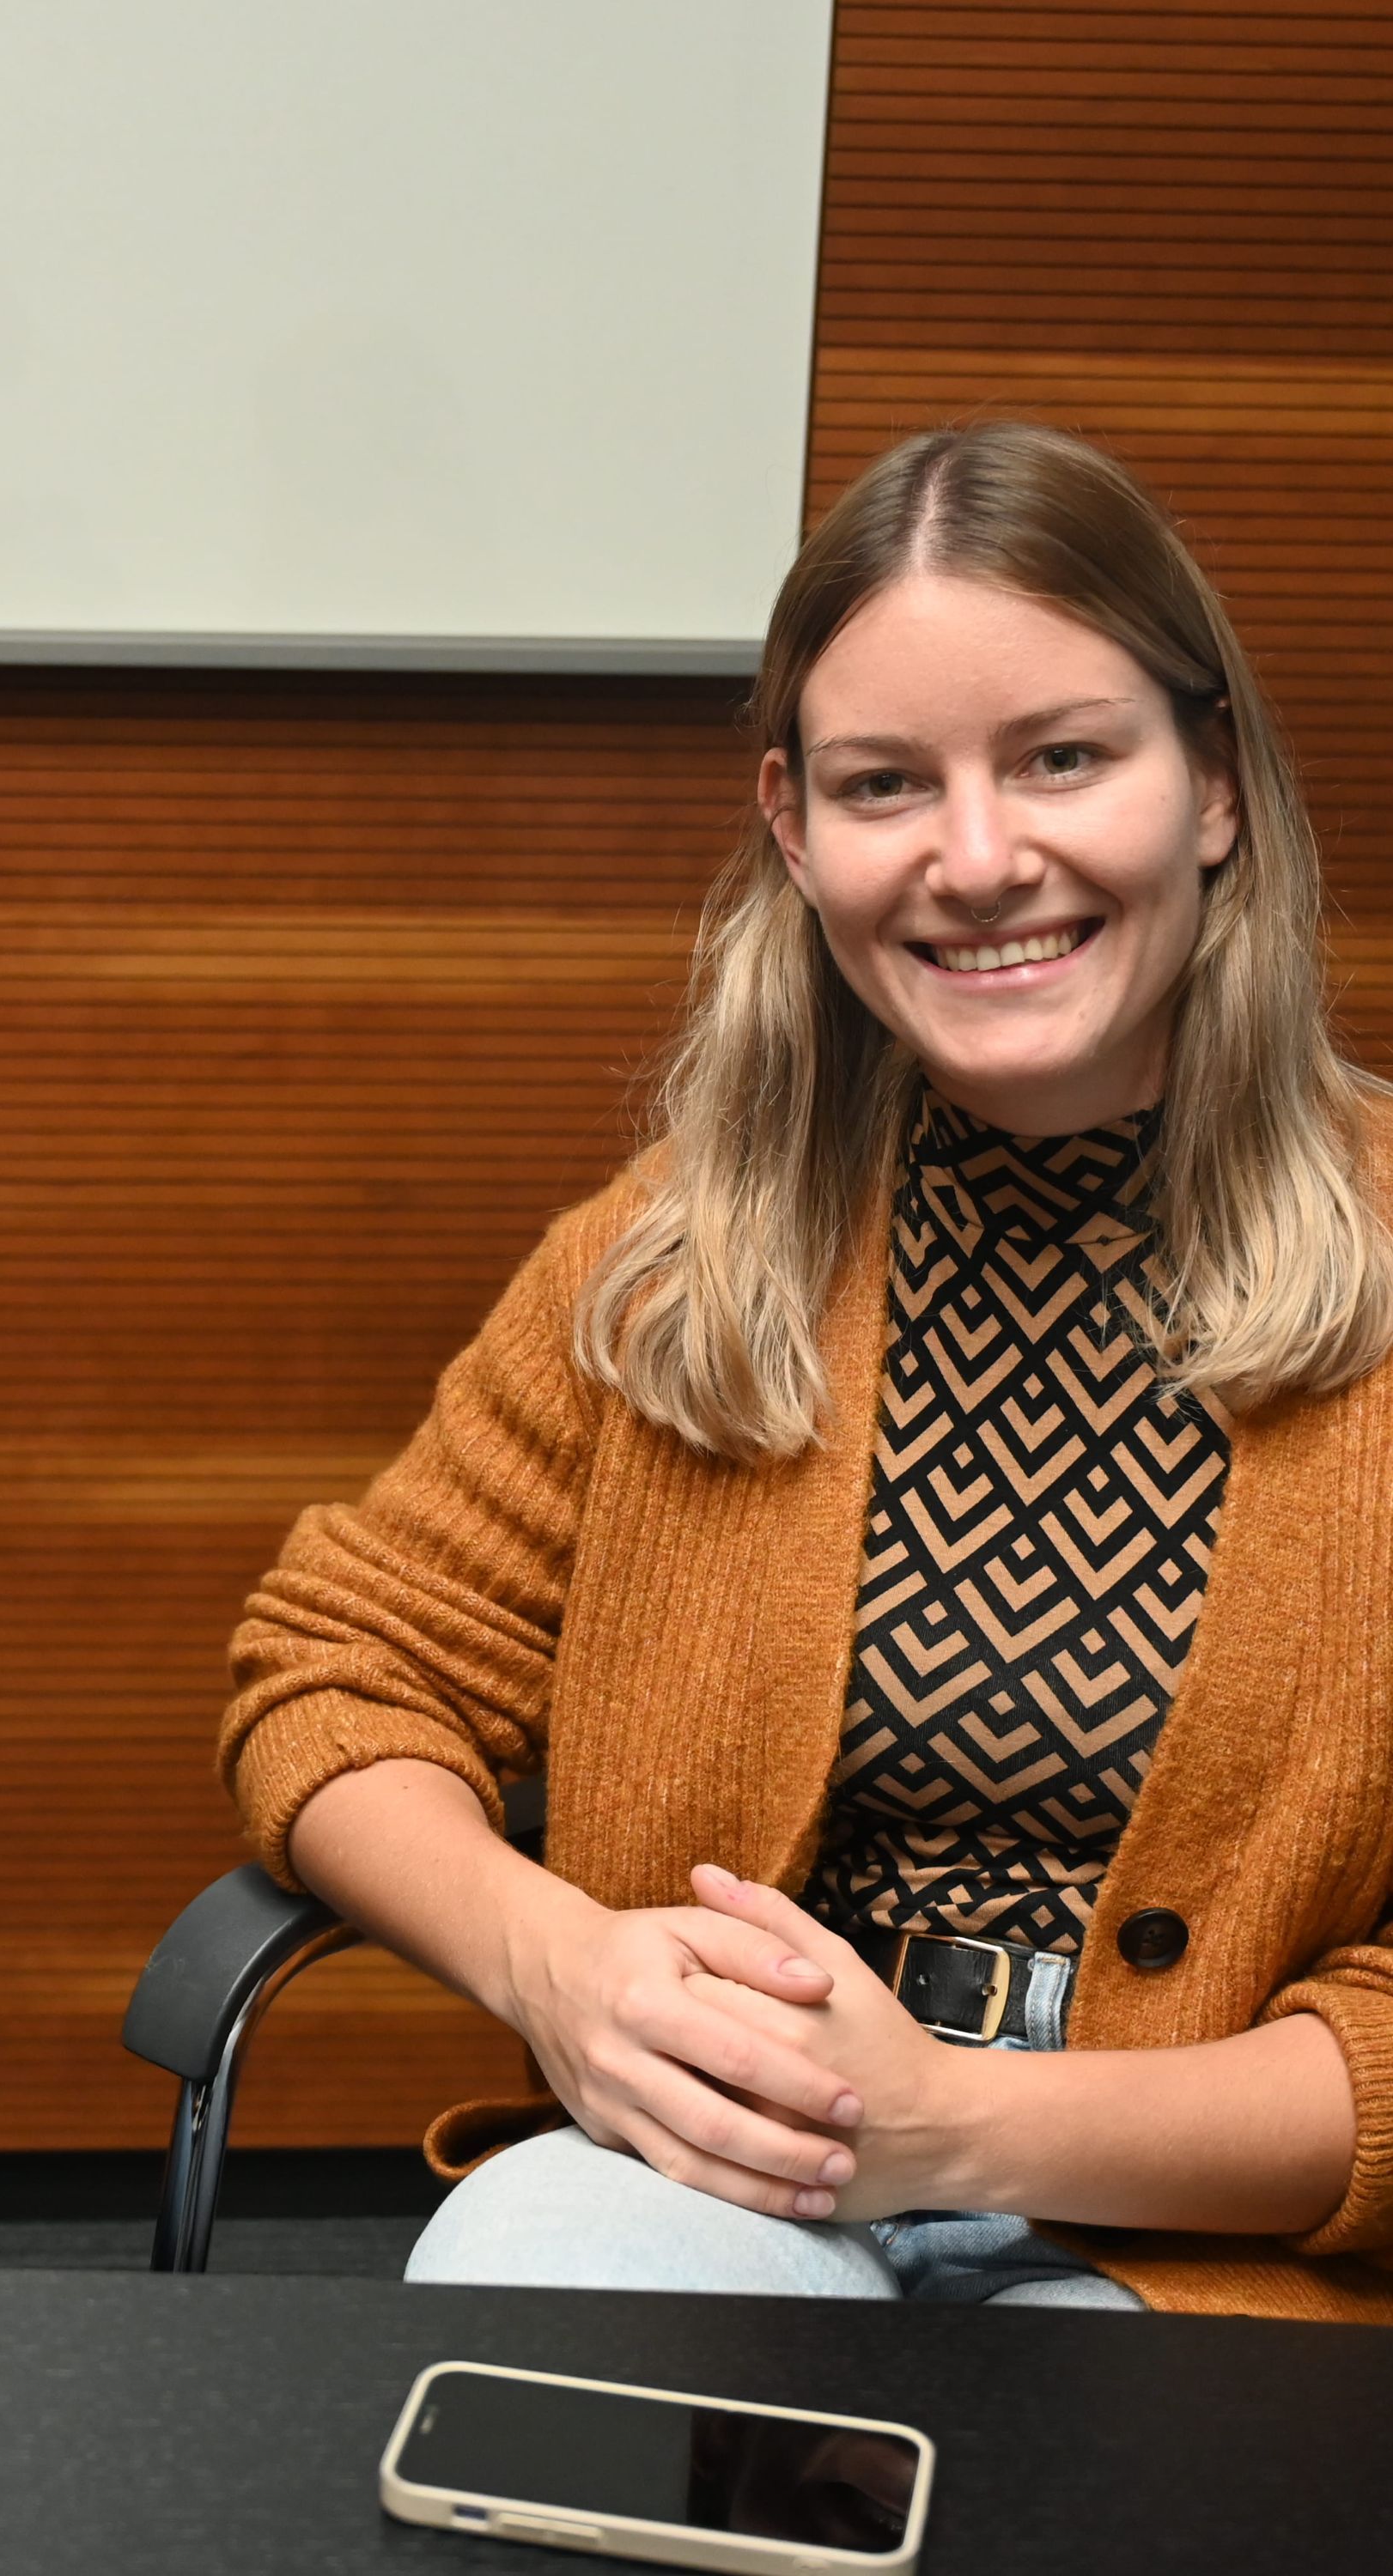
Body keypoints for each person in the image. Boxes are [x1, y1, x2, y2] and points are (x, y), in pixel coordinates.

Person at [220, 421, 1393, 2324]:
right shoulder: (670, 1262)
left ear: (1215, 787)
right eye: (884, 784)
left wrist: (959, 2127)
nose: (978, 861)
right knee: (552, 2356)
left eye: (1064, 758)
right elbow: (338, 1671)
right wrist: (552, 1965)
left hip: (1210, 2253)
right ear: (794, 829)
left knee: (1096, 2474)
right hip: (727, 2176)